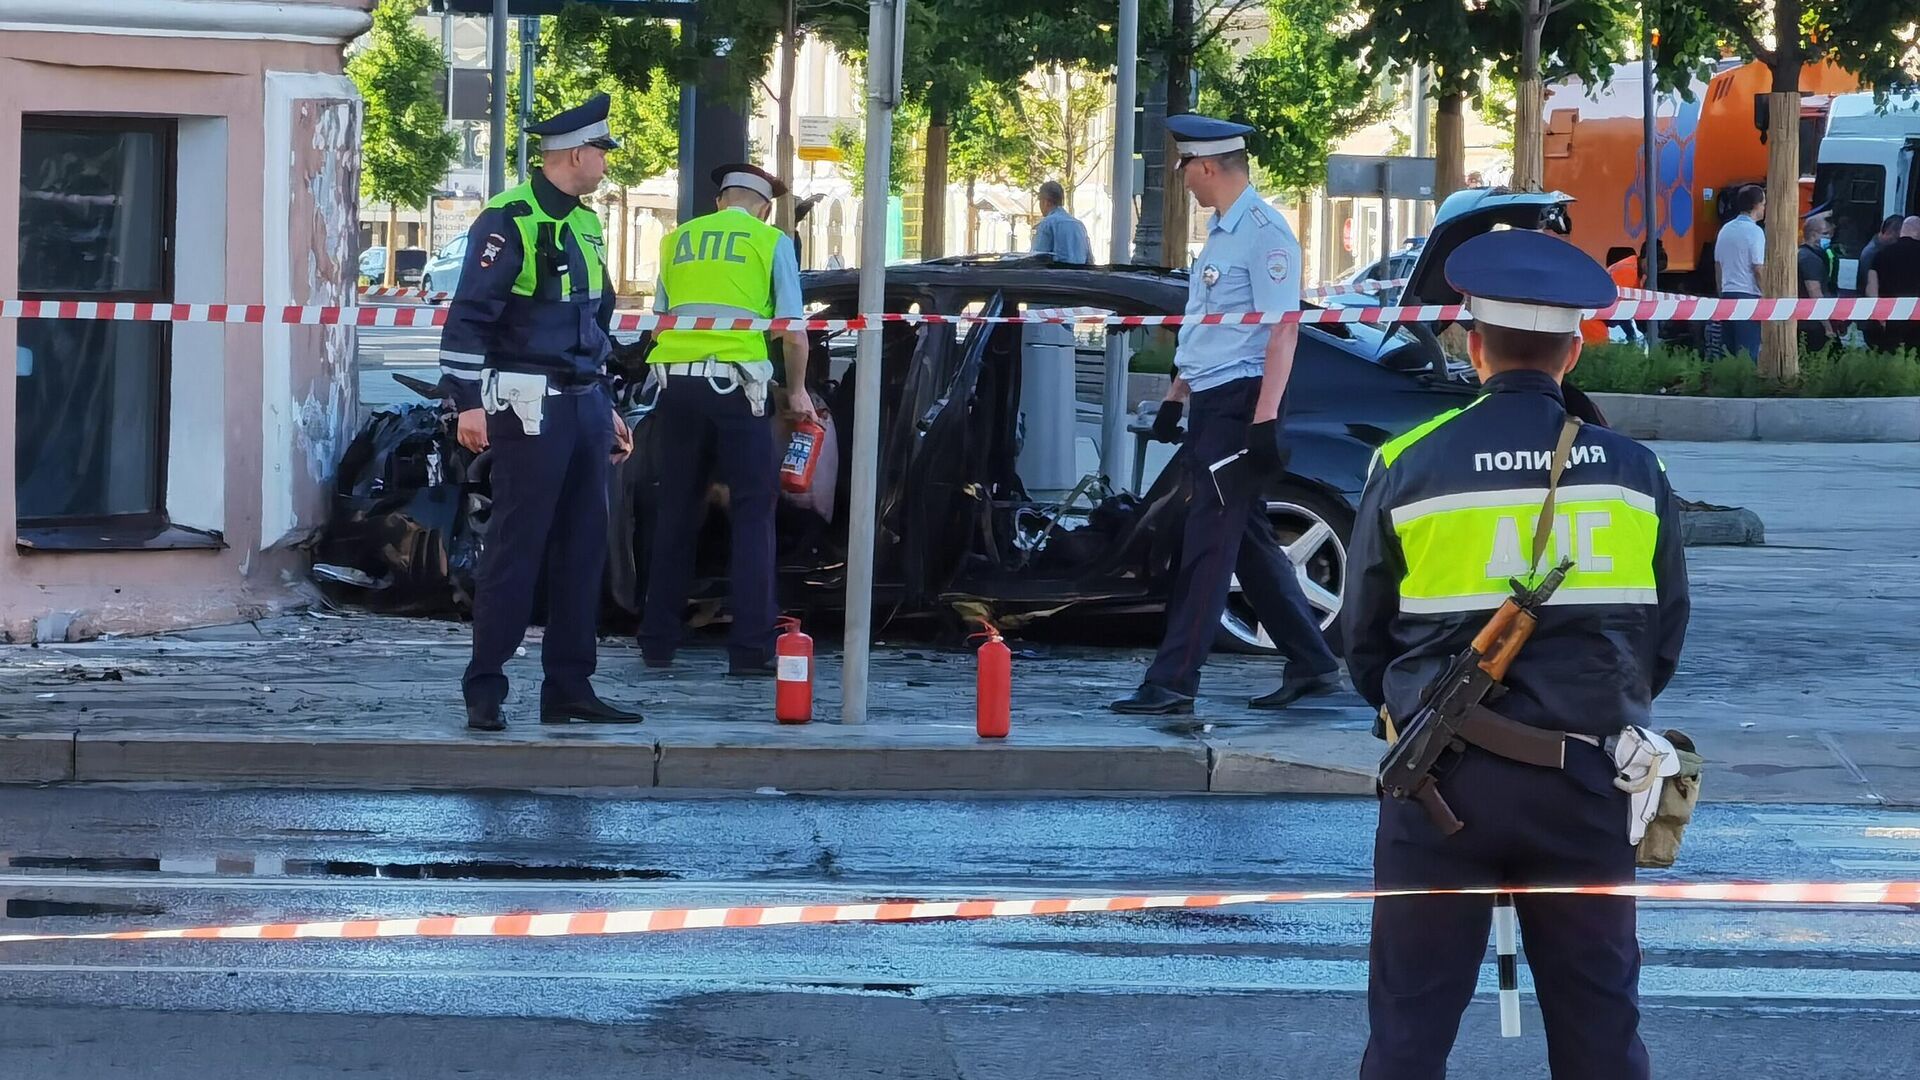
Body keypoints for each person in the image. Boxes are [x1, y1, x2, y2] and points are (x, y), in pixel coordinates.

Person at [1342, 228, 1691, 1080]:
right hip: (1585, 784)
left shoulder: (1406, 463)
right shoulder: (1636, 472)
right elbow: (1665, 638)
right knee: (1601, 1031)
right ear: (1574, 349)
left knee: (1408, 1035)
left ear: (1471, 343)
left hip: (1436, 783)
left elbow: (1362, 641)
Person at [1110, 114, 1341, 716]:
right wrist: (1177, 396)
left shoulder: (1265, 234)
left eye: (1186, 167)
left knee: (1208, 543)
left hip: (1241, 402)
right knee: (1247, 542)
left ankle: (1172, 682)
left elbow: (1281, 334)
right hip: (1214, 398)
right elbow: (1211, 324)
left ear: (1209, 166)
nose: (1183, 177)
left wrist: (1264, 420)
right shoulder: (1220, 232)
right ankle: (1313, 662)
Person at [439, 93, 641, 732]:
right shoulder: (508, 219)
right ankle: (486, 687)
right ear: (576, 154)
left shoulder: (585, 223)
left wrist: (606, 402)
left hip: (582, 403)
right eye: (601, 155)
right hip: (527, 405)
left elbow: (593, 322)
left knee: (584, 550)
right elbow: (469, 317)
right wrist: (467, 405)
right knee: (515, 548)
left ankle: (569, 689)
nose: (606, 166)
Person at [640, 163, 818, 676]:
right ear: (763, 207)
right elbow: (792, 330)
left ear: (721, 202)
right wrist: (799, 390)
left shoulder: (678, 241)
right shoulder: (770, 241)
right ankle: (750, 648)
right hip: (737, 391)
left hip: (676, 389)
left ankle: (656, 641)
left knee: (674, 513)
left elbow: (659, 323)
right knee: (753, 516)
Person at [1713, 184, 1766, 362]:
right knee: (1748, 353)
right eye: (1764, 204)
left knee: (1728, 352)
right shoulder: (1755, 232)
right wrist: (1768, 295)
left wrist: (1722, 293)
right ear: (1756, 205)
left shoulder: (1725, 230)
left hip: (1727, 294)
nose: (1765, 208)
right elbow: (1758, 268)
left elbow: (1718, 265)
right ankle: (1745, 387)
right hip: (1748, 297)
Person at [1866, 215, 1920, 353]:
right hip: (1917, 320)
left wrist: (1880, 317)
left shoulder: (1880, 254)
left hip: (1891, 319)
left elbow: (1871, 288)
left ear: (1902, 230)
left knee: (1890, 358)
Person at [1797, 210, 1839, 350]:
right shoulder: (1810, 259)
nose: (1829, 238)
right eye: (1825, 234)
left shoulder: (1801, 254)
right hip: (1813, 324)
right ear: (1813, 234)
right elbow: (1815, 292)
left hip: (1802, 320)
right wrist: (1827, 326)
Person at [1030, 180, 1093, 265]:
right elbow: (1089, 261)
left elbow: (1037, 259)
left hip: (1056, 276)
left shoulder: (1047, 223)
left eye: (1040, 200)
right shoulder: (1079, 225)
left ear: (1046, 202)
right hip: (1080, 276)